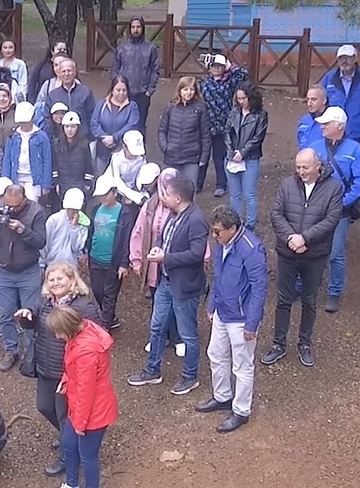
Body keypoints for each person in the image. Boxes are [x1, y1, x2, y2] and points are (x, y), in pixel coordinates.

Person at [14, 262, 102, 475]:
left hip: (68, 371)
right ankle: (69, 436)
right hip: (45, 366)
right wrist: (26, 317)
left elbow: (97, 334)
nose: (55, 283)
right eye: (51, 279)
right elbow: (34, 323)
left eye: (60, 279)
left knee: (65, 414)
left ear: (72, 280)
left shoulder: (84, 306)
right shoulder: (45, 301)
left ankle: (67, 456)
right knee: (44, 407)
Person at [262, 149, 344, 369]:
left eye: (305, 167)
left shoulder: (333, 188)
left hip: (315, 255)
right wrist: (290, 237)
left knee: (309, 301)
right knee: (283, 300)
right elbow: (276, 213)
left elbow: (332, 219)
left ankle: (304, 343)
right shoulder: (287, 184)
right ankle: (278, 344)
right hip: (287, 253)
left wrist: (305, 238)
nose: (301, 172)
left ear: (318, 166)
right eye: (297, 167)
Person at [127, 174, 208, 395]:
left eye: (166, 194)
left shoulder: (196, 219)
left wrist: (166, 258)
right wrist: (157, 248)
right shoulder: (174, 215)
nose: (162, 197)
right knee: (156, 327)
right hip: (166, 281)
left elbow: (197, 253)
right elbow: (163, 238)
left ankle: (190, 377)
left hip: (184, 286)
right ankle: (152, 371)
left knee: (188, 334)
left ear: (178, 198)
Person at [196, 205, 268, 433]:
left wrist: (252, 323)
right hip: (222, 312)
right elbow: (218, 276)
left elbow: (259, 288)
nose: (214, 236)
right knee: (216, 354)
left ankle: (241, 410)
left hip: (241, 318)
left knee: (242, 365)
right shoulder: (223, 244)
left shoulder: (251, 249)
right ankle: (222, 396)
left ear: (232, 228)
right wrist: (212, 304)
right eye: (213, 231)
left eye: (218, 231)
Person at [43, 306, 117, 488]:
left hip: (93, 411)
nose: (57, 336)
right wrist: (66, 381)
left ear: (67, 328)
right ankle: (72, 487)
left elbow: (87, 390)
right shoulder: (79, 335)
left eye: (58, 332)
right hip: (79, 406)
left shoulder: (87, 350)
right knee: (69, 445)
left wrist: (81, 423)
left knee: (88, 456)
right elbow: (72, 370)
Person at [309, 106, 360, 315]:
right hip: (315, 207)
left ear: (340, 126)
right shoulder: (315, 146)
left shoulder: (356, 150)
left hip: (340, 210)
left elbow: (359, 182)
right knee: (310, 247)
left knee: (335, 252)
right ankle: (307, 287)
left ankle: (334, 292)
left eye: (327, 124)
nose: (322, 127)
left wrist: (341, 203)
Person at [0, 183, 48, 371]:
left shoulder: (37, 212)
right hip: (3, 269)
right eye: (7, 204)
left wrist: (22, 230)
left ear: (24, 200)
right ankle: (10, 350)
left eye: (15, 206)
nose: (10, 209)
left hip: (28, 270)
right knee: (5, 315)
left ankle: (31, 353)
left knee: (29, 315)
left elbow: (41, 242)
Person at [129, 166, 186, 359]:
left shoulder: (186, 208)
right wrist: (137, 259)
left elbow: (197, 234)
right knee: (157, 300)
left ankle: (178, 337)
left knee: (177, 301)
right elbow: (139, 232)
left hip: (176, 263)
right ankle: (161, 337)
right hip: (154, 263)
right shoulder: (150, 206)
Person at [84, 172, 137, 330]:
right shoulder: (95, 209)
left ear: (114, 193)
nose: (102, 199)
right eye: (100, 196)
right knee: (97, 291)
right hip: (95, 257)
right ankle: (111, 317)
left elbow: (128, 239)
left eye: (105, 195)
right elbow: (91, 231)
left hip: (113, 261)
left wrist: (124, 263)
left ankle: (105, 325)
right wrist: (86, 250)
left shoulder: (125, 213)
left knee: (110, 294)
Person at [199, 54, 249, 197]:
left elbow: (244, 75)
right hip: (207, 124)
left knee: (219, 156)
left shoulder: (229, 82)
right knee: (203, 154)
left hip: (223, 125)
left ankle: (221, 184)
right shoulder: (204, 83)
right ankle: (198, 183)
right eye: (213, 66)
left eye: (219, 66)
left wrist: (230, 66)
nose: (216, 68)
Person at [224, 83, 268, 231]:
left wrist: (242, 152)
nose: (241, 101)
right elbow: (227, 132)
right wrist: (231, 152)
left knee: (249, 194)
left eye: (243, 98)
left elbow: (258, 137)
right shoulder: (234, 112)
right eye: (238, 98)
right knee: (234, 193)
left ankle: (250, 225)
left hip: (250, 158)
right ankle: (236, 222)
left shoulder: (261, 115)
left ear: (251, 98)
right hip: (232, 157)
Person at [321, 44, 360, 144]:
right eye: (341, 58)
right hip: (334, 132)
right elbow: (321, 104)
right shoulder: (329, 78)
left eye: (348, 58)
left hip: (356, 133)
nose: (344, 61)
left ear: (355, 58)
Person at [157, 76, 211, 189]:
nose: (189, 93)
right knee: (169, 190)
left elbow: (205, 135)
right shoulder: (171, 107)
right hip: (172, 156)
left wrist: (203, 158)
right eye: (185, 89)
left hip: (191, 158)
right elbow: (162, 130)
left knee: (190, 191)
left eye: (192, 89)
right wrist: (165, 147)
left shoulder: (200, 108)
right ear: (180, 90)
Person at [111, 15, 161, 134]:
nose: (136, 29)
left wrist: (150, 91)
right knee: (122, 123)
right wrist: (117, 88)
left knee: (140, 125)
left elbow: (155, 69)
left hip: (142, 93)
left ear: (143, 28)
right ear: (129, 29)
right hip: (124, 93)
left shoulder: (150, 48)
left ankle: (140, 151)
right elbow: (115, 69)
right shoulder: (122, 48)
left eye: (138, 26)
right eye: (133, 27)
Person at [1, 102, 53, 204]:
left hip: (34, 180)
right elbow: (7, 159)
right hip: (15, 177)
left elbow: (47, 160)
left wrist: (46, 184)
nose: (23, 125)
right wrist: (5, 181)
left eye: (25, 122)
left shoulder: (42, 136)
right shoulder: (13, 136)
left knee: (30, 206)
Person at [90, 75, 140, 176]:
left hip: (122, 151)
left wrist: (114, 138)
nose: (121, 93)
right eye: (118, 90)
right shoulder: (101, 104)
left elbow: (131, 125)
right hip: (102, 150)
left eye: (124, 90)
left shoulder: (132, 106)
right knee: (101, 180)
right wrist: (104, 137)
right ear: (112, 90)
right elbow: (94, 123)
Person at [37, 57, 96, 131]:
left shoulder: (86, 92)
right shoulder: (52, 95)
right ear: (59, 73)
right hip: (59, 138)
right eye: (63, 71)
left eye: (69, 71)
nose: (66, 74)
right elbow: (48, 118)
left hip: (82, 138)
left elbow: (92, 116)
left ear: (74, 72)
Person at [52, 111, 93, 204]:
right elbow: (55, 166)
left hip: (79, 186)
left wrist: (86, 187)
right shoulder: (57, 144)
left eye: (73, 126)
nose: (70, 130)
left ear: (78, 128)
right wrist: (57, 183)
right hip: (63, 186)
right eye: (67, 126)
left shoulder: (84, 145)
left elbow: (89, 168)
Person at [43, 188, 90, 268]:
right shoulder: (54, 219)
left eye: (75, 209)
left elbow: (76, 248)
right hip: (53, 264)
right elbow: (45, 243)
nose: (73, 211)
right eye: (70, 208)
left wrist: (74, 228)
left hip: (71, 266)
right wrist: (42, 264)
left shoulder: (83, 223)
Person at [295, 86, 329, 150]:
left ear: (324, 101)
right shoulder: (304, 121)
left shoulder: (331, 122)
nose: (309, 103)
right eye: (308, 99)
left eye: (313, 99)